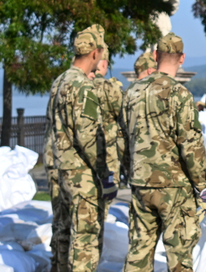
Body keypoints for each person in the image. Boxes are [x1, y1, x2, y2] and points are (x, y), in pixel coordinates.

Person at [120, 33, 206, 272]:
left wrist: (130, 171)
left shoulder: (131, 93)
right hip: (173, 186)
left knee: (138, 252)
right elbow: (191, 144)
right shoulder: (180, 94)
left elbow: (122, 139)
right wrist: (202, 185)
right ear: (181, 59)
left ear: (155, 56)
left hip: (141, 182)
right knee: (179, 257)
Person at [48, 27, 117, 272]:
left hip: (62, 170)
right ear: (95, 53)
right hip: (83, 176)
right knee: (85, 240)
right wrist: (105, 174)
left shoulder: (60, 82)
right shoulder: (82, 87)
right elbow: (88, 138)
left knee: (64, 233)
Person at [94, 49, 124, 185]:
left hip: (78, 156)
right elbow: (124, 118)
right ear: (104, 64)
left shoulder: (75, 85)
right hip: (107, 152)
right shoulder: (110, 88)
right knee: (106, 196)